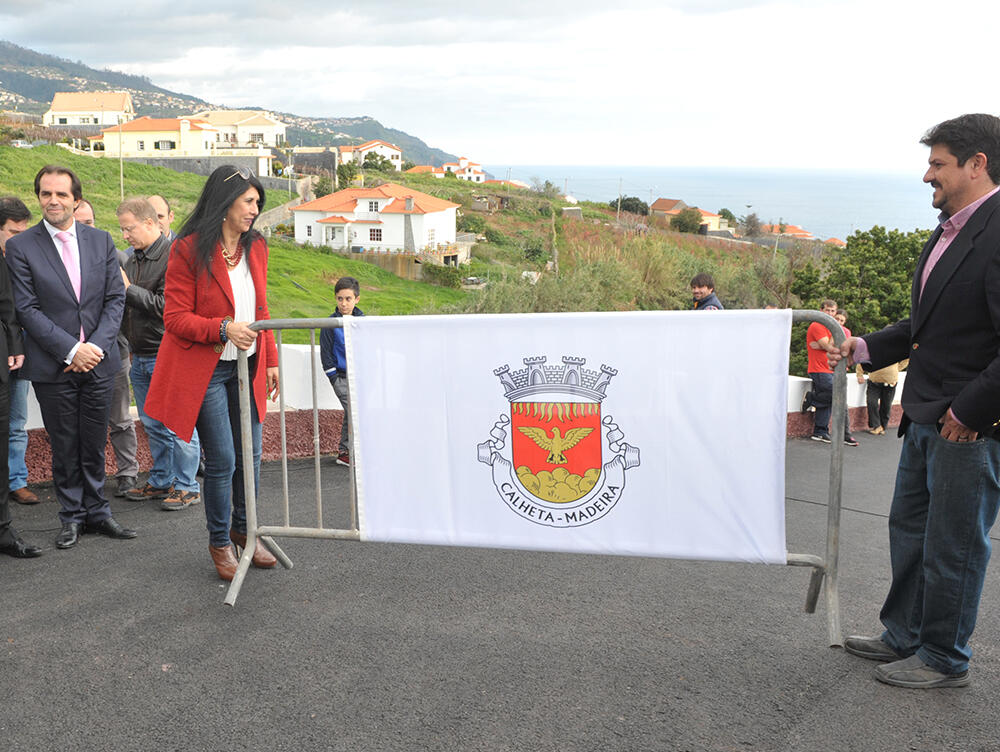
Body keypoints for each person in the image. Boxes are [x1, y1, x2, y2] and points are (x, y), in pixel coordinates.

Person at [831, 114, 1000, 689]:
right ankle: (903, 635)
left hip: (968, 427)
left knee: (953, 545)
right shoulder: (949, 229)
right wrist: (862, 346)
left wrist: (971, 412)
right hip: (925, 416)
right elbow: (927, 325)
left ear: (977, 164)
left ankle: (943, 658)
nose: (926, 175)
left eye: (937, 164)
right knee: (911, 533)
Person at [143, 165, 279, 581]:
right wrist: (222, 328)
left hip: (248, 366)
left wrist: (270, 358)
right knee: (223, 460)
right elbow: (175, 318)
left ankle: (246, 531)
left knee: (251, 458)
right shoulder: (187, 249)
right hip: (206, 372)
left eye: (258, 202)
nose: (255, 209)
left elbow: (260, 309)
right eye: (249, 201)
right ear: (224, 204)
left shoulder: (256, 247)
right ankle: (220, 541)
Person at [6, 165, 136, 550]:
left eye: (61, 194)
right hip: (53, 364)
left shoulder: (100, 241)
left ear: (75, 199)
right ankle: (72, 517)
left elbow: (115, 298)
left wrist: (93, 348)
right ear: (39, 197)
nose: (53, 201)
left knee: (95, 442)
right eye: (46, 194)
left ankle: (98, 512)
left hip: (99, 360)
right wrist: (71, 349)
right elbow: (26, 309)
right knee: (64, 444)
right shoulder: (21, 246)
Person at [116, 198, 201, 510]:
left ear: (150, 223)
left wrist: (128, 290)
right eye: (123, 229)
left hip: (169, 353)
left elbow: (168, 307)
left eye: (129, 228)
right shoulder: (131, 260)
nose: (125, 235)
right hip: (139, 355)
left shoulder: (174, 257)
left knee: (179, 425)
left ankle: (188, 487)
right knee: (153, 424)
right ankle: (163, 480)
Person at [75, 199, 140, 497]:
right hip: (70, 355)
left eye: (89, 222)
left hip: (113, 351)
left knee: (120, 418)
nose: (85, 227)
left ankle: (127, 472)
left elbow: (125, 303)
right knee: (79, 422)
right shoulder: (53, 258)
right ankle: (87, 478)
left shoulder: (113, 255)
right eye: (80, 222)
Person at [0, 208, 38, 558]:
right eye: (12, 232)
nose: (17, 239)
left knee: (14, 425)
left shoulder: (21, 258)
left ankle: (16, 484)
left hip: (14, 357)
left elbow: (16, 309)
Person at [320, 276, 364, 466]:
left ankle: (345, 452)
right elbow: (326, 354)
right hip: (340, 377)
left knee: (351, 412)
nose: (344, 303)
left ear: (357, 299)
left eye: (348, 299)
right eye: (340, 299)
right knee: (356, 411)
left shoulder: (363, 321)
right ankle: (351, 451)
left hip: (360, 377)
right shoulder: (330, 324)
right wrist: (333, 378)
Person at [802, 299, 858, 446]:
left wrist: (823, 344)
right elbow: (831, 348)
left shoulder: (838, 328)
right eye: (828, 310)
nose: (831, 314)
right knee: (836, 394)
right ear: (821, 310)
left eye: (833, 311)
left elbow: (841, 348)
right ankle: (812, 399)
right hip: (820, 368)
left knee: (831, 400)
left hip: (835, 369)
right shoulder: (817, 325)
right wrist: (828, 344)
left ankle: (820, 431)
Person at [857, 360, 907, 435]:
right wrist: (859, 375)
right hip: (874, 381)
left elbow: (906, 359)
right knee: (871, 402)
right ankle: (877, 426)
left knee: (886, 406)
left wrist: (895, 369)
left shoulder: (895, 349)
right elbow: (863, 359)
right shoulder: (873, 349)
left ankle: (883, 426)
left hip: (890, 382)